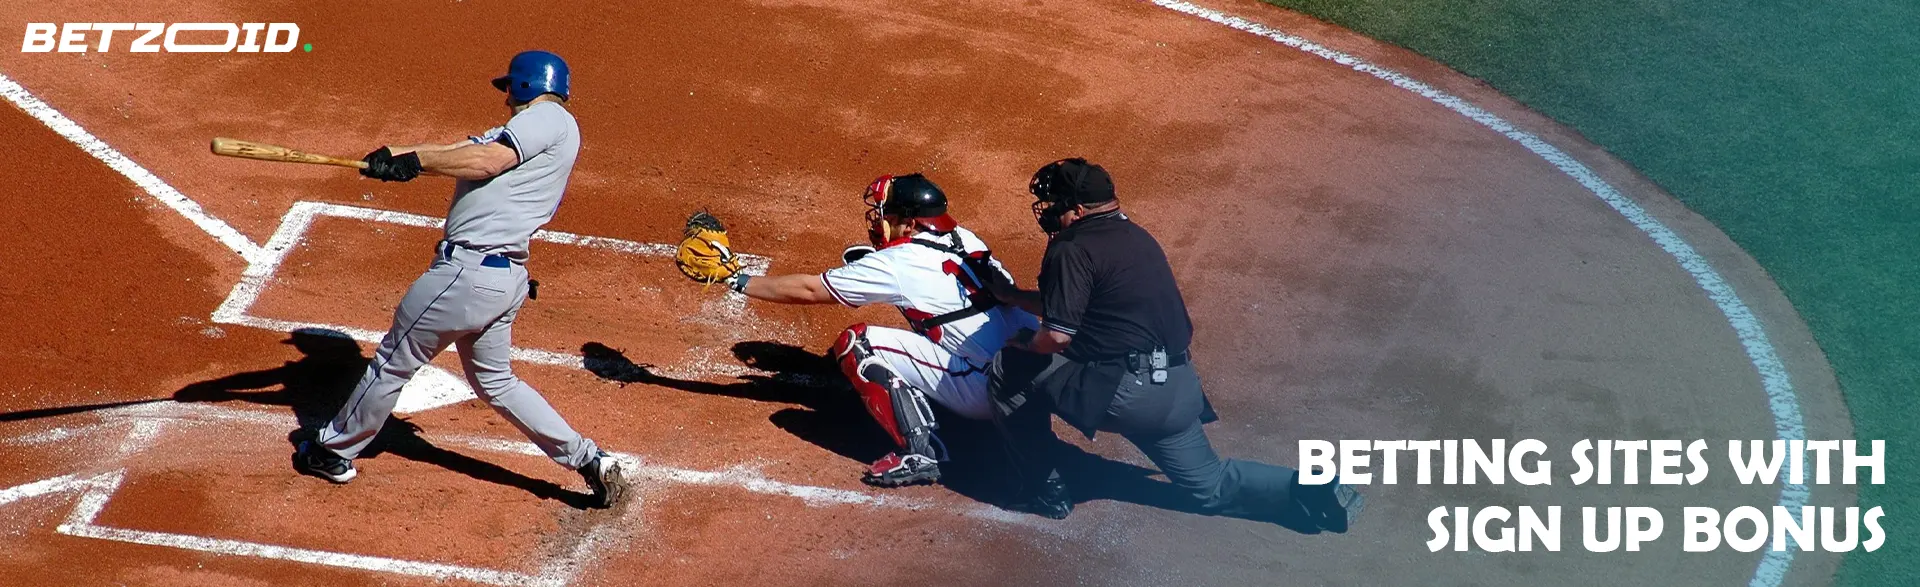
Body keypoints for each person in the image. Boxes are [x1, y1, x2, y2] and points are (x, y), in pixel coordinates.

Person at [291, 50, 628, 509]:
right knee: (497, 383)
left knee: (393, 361)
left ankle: (333, 451)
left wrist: (411, 158)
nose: (506, 97)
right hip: (502, 279)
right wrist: (405, 160)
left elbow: (485, 161)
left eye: (510, 87)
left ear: (528, 85)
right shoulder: (538, 132)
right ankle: (590, 460)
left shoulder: (547, 118)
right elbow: (466, 155)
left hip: (465, 275)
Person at [979, 158, 1361, 530]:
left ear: (1076, 210)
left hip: (1126, 394)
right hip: (1177, 391)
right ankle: (1312, 488)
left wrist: (1029, 344)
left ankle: (1044, 491)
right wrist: (1013, 296)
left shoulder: (1071, 248)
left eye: (1055, 205)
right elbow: (1070, 303)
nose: (1049, 214)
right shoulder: (1136, 238)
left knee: (1009, 367)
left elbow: (1058, 333)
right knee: (1208, 484)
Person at [717, 173, 1039, 486]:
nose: (879, 220)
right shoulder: (966, 239)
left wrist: (737, 280)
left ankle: (923, 453)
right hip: (1035, 372)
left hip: (987, 392)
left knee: (857, 345)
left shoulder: (896, 263)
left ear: (911, 223)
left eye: (890, 215)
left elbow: (810, 290)